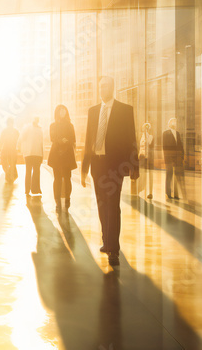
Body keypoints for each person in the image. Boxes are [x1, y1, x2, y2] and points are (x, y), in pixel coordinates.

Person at [81, 77, 138, 266]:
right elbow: (88, 141)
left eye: (105, 86)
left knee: (112, 207)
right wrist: (84, 168)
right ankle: (107, 241)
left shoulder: (125, 110)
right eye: (100, 86)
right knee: (101, 205)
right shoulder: (93, 111)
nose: (101, 89)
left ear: (112, 88)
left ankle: (113, 250)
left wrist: (134, 167)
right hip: (97, 165)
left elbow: (131, 139)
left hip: (115, 166)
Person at [48, 105, 77, 212]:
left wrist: (67, 141)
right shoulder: (53, 125)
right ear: (57, 112)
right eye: (60, 110)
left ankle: (67, 199)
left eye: (64, 110)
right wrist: (60, 140)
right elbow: (52, 138)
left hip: (67, 154)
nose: (62, 112)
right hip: (56, 154)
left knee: (67, 177)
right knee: (57, 179)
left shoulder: (70, 125)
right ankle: (57, 202)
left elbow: (73, 139)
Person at [161, 118, 185, 200]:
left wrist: (182, 156)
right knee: (169, 175)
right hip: (169, 158)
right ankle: (168, 193)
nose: (174, 123)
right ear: (169, 123)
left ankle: (176, 194)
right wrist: (166, 159)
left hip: (177, 158)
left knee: (176, 176)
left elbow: (180, 145)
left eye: (175, 122)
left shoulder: (177, 133)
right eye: (173, 122)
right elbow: (164, 147)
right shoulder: (165, 133)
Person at [21, 117, 44, 196]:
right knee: (31, 171)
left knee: (35, 171)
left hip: (35, 153)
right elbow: (22, 138)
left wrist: (42, 154)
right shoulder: (28, 128)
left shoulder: (39, 129)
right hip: (30, 153)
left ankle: (35, 189)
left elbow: (41, 143)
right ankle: (29, 190)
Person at [0, 118, 19, 183]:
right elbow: (19, 141)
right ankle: (12, 176)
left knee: (5, 163)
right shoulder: (16, 131)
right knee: (12, 163)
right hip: (13, 149)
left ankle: (9, 175)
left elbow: (1, 140)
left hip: (6, 149)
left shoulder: (4, 131)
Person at [138, 123, 155, 200]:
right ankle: (140, 189)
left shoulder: (150, 136)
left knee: (150, 175)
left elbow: (149, 142)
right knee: (142, 174)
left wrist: (146, 135)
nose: (145, 130)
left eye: (147, 128)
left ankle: (150, 192)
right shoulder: (140, 137)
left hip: (149, 158)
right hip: (142, 158)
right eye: (144, 128)